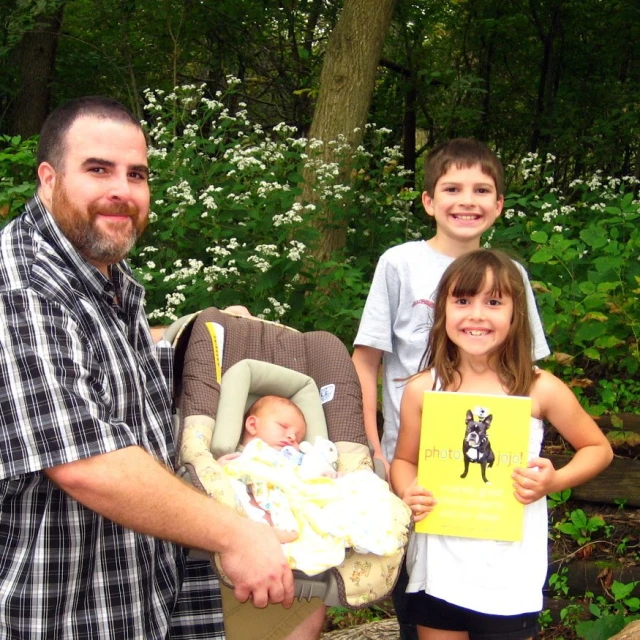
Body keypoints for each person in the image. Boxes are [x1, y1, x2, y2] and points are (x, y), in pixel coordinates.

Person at [0, 96, 297, 639]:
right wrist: (236, 535)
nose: (122, 189)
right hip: (65, 610)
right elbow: (85, 462)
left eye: (136, 174)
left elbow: (105, 364)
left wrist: (189, 333)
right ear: (48, 178)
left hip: (137, 597)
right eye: (98, 169)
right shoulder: (21, 289)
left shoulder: (97, 266)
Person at [352, 138, 551, 639]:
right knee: (424, 597)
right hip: (413, 466)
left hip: (493, 485)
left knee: (491, 594)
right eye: (452, 188)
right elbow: (366, 360)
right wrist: (374, 447)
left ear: (499, 204)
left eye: (482, 189)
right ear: (428, 201)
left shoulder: (513, 275)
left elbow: (526, 373)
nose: (467, 200)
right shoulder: (399, 263)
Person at [390, 249, 613, 640]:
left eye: (493, 302)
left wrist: (553, 481)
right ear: (443, 311)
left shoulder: (539, 387)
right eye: (462, 300)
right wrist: (408, 489)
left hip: (508, 573)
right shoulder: (422, 389)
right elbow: (404, 460)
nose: (476, 314)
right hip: (436, 568)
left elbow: (598, 448)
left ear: (516, 314)